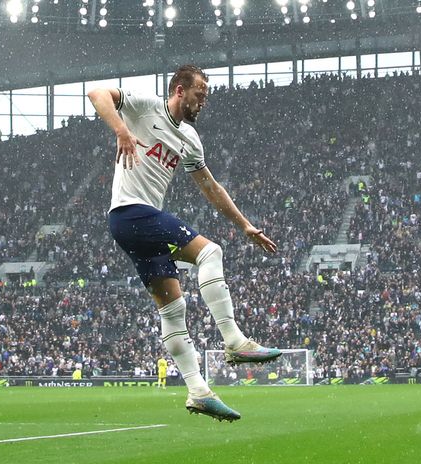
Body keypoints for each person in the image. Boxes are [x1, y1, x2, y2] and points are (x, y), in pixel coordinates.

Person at [88, 64, 281, 422]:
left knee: (173, 310)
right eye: (199, 93)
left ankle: (198, 391)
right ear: (179, 90)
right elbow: (97, 93)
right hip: (131, 213)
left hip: (137, 224)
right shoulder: (145, 107)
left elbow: (210, 187)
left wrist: (245, 226)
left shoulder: (189, 138)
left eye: (205, 96)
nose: (203, 101)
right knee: (210, 252)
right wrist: (121, 131)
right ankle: (234, 341)